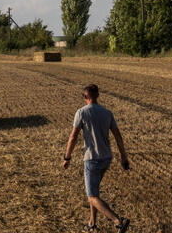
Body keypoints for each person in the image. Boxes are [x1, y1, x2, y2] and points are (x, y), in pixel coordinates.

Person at [62, 83, 130, 232]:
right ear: (98, 96)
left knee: (92, 196)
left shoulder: (82, 112)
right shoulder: (107, 113)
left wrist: (67, 157)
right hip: (106, 158)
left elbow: (73, 136)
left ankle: (118, 220)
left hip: (92, 159)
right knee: (94, 192)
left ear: (85, 97)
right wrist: (123, 157)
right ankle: (92, 223)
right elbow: (118, 136)